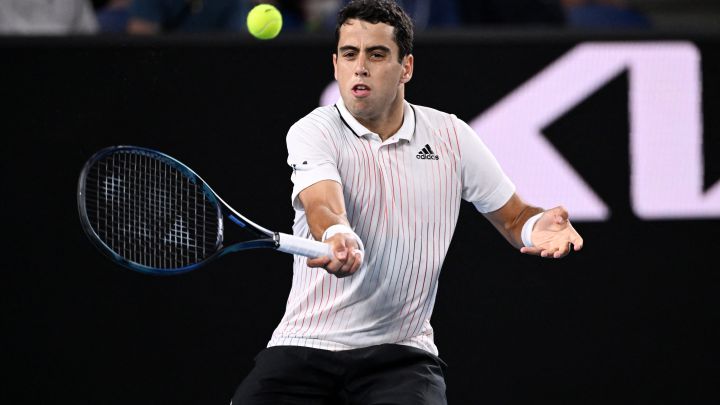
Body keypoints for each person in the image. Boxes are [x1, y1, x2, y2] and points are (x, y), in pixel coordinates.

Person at [232, 0, 584, 403]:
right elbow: (321, 203)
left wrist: (537, 226)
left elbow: (515, 216)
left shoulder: (451, 136)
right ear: (336, 65)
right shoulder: (313, 130)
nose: (360, 67)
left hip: (400, 356)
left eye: (377, 54)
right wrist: (336, 232)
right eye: (350, 54)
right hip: (304, 345)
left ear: (407, 68)